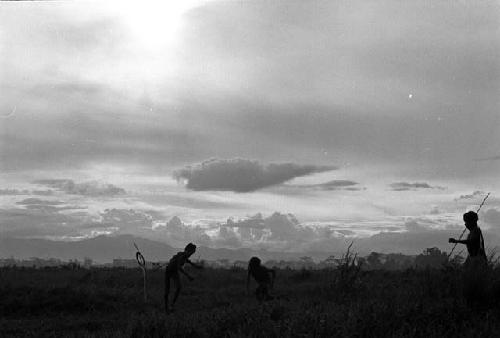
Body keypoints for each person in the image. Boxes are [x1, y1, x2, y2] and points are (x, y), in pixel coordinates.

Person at [164, 243, 203, 313]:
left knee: (178, 287)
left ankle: (171, 306)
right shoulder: (182, 256)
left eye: (192, 253)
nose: (191, 254)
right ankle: (167, 308)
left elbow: (189, 262)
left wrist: (196, 266)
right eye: (191, 252)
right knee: (167, 290)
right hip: (169, 271)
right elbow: (179, 267)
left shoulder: (185, 255)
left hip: (174, 271)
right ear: (187, 250)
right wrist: (188, 276)